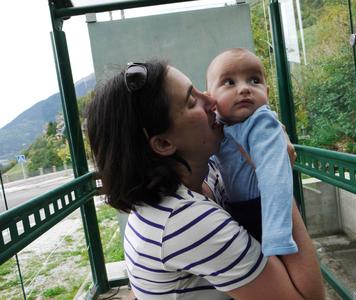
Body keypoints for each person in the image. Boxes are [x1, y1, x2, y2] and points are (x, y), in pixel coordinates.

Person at [86, 60, 325, 299]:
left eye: (200, 89)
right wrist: (276, 176)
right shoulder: (187, 221)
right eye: (192, 101)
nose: (211, 100)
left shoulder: (202, 177)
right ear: (164, 144)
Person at [206, 48, 296, 257]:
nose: (244, 89)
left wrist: (277, 236)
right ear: (211, 98)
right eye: (229, 82)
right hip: (240, 209)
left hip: (266, 212)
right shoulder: (220, 125)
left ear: (267, 92)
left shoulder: (261, 123)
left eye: (254, 80)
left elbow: (275, 176)